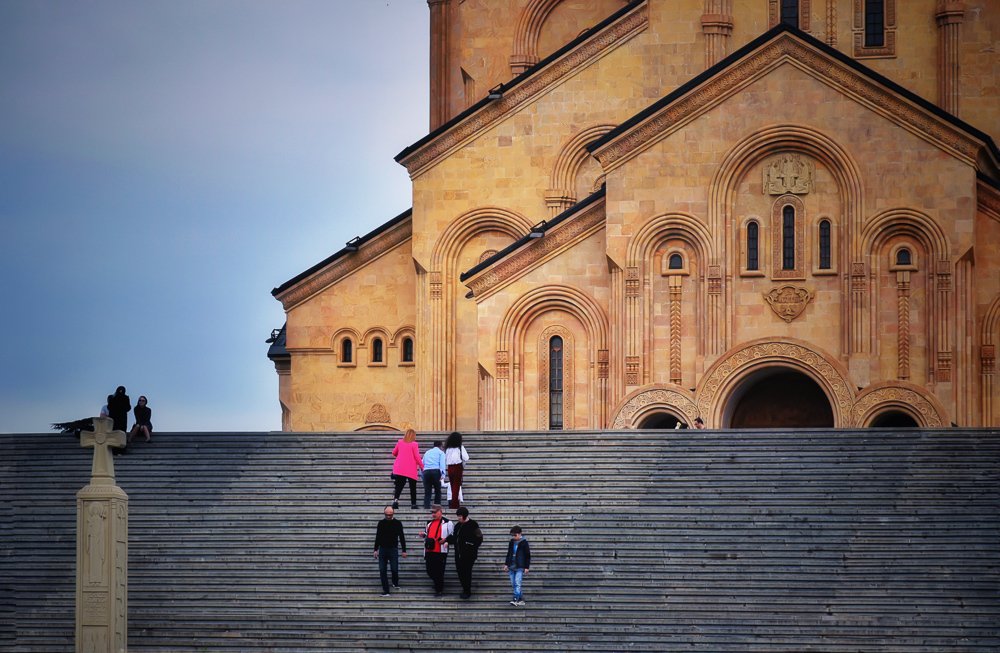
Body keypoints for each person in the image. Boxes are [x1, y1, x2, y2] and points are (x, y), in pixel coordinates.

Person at [447, 506, 482, 599]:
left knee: (466, 572)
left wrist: (470, 545)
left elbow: (479, 538)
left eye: (460, 516)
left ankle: (467, 591)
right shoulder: (457, 526)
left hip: (469, 555)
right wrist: (446, 541)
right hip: (458, 555)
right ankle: (465, 588)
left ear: (465, 516)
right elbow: (454, 538)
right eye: (458, 516)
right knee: (460, 572)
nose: (458, 518)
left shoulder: (473, 524)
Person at [372, 505, 407, 596]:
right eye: (386, 514)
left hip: (393, 549)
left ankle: (395, 582)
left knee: (394, 569)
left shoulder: (397, 523)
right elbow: (378, 536)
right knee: (382, 570)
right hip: (383, 549)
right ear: (384, 513)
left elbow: (402, 537)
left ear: (393, 513)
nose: (388, 516)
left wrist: (404, 550)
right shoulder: (381, 523)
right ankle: (386, 591)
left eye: (390, 515)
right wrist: (375, 549)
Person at [421, 504, 453, 596]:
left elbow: (452, 535)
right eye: (432, 512)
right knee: (429, 570)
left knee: (439, 571)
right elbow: (427, 534)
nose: (433, 514)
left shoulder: (448, 523)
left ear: (440, 511)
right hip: (429, 551)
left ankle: (439, 589)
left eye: (435, 512)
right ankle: (437, 583)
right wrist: (423, 535)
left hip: (440, 552)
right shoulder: (429, 523)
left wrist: (446, 540)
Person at [391, 428, 424, 509]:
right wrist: (422, 466)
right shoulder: (414, 444)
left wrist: (401, 455)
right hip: (411, 469)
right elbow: (417, 456)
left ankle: (395, 501)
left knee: (399, 486)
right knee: (412, 487)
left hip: (400, 468)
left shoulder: (400, 442)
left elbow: (394, 453)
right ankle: (413, 504)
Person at [503, 525, 531, 606]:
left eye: (515, 535)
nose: (514, 537)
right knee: (513, 584)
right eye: (512, 535)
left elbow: (528, 555)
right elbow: (509, 553)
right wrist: (506, 564)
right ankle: (521, 599)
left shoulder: (524, 542)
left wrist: (526, 567)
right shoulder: (511, 542)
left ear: (520, 534)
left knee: (517, 583)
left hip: (520, 566)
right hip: (511, 566)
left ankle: (515, 599)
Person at [444, 431, 469, 510]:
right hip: (457, 467)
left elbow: (445, 459)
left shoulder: (448, 449)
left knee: (452, 486)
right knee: (456, 486)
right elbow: (466, 458)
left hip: (450, 468)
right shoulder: (460, 447)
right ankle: (454, 505)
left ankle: (454, 503)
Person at [422, 440, 446, 509]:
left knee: (427, 492)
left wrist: (422, 473)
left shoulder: (427, 452)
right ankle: (436, 508)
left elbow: (422, 462)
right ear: (440, 446)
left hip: (426, 472)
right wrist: (443, 475)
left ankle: (426, 507)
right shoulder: (441, 453)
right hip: (436, 471)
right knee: (437, 491)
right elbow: (442, 464)